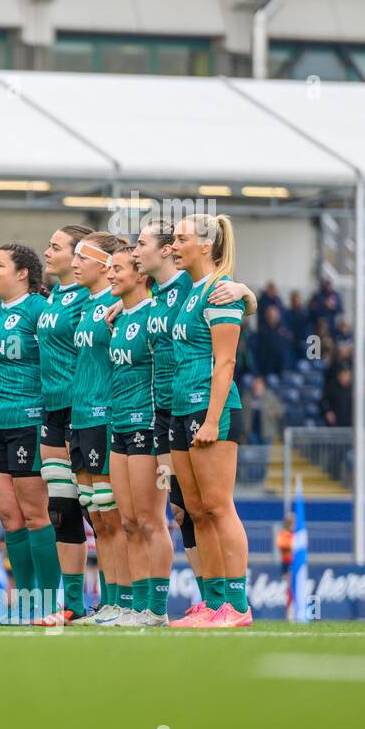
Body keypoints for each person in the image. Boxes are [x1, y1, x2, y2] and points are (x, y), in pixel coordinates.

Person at [168, 214, 251, 628]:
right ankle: (213, 602)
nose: (173, 245)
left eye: (181, 238)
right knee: (197, 509)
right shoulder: (188, 289)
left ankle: (237, 605)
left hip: (211, 409)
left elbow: (226, 362)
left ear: (205, 245)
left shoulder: (220, 292)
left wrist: (213, 420)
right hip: (182, 408)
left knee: (219, 507)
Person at [0, 244, 59, 624]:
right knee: (9, 518)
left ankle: (48, 601)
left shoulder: (39, 310)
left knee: (34, 515)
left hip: (29, 421)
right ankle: (25, 603)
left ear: (23, 273)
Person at [64, 233, 130, 625]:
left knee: (114, 516)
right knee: (97, 517)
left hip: (107, 416)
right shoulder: (87, 305)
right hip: (81, 417)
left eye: (81, 256)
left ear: (105, 265)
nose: (74, 263)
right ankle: (110, 603)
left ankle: (124, 602)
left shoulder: (120, 303)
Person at [105, 245, 171, 626]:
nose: (111, 275)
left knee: (150, 520)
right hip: (119, 426)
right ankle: (135, 605)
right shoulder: (119, 317)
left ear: (141, 276)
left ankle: (156, 609)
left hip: (147, 425)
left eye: (118, 269)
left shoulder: (154, 314)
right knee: (127, 519)